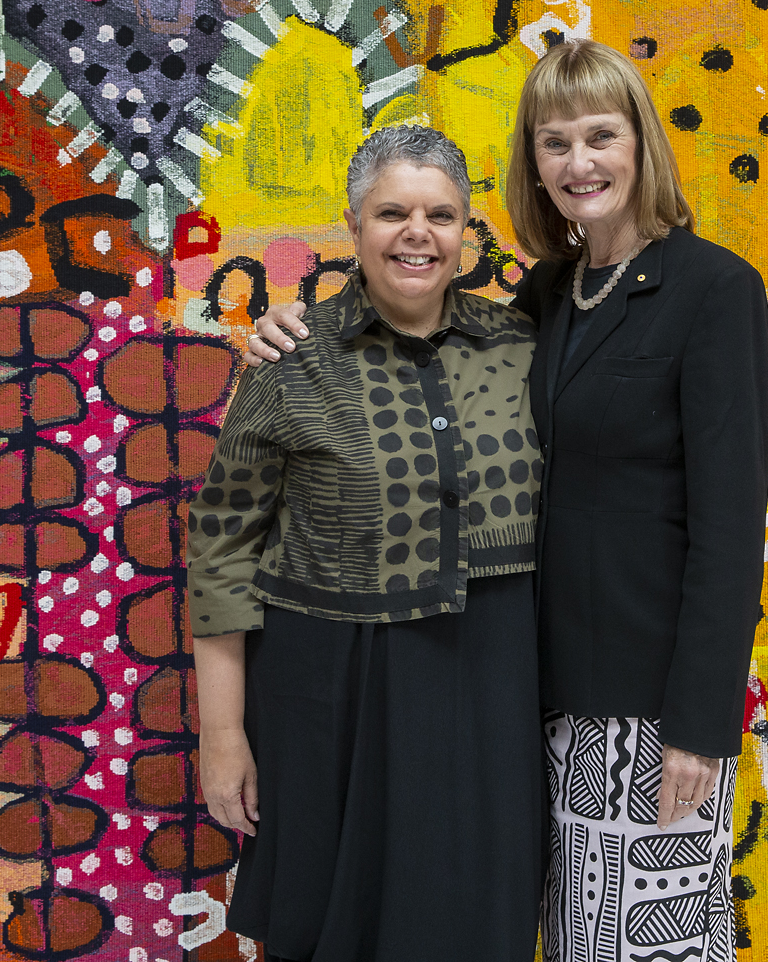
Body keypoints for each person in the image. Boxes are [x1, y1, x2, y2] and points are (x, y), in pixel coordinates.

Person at [246, 39, 768, 962]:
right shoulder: (549, 295)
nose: (579, 164)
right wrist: (295, 324)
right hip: (533, 690)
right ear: (534, 162)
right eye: (554, 142)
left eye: (600, 136)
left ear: (640, 143)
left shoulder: (714, 289)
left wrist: (700, 724)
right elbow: (423, 334)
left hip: (646, 707)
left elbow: (729, 530)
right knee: (567, 940)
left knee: (642, 945)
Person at [189, 124, 544, 962]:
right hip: (329, 693)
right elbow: (221, 549)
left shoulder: (525, 347)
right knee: (336, 934)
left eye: (440, 214)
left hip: (490, 683)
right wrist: (223, 733)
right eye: (392, 212)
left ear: (466, 231)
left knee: (478, 926)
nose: (417, 233)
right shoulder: (289, 359)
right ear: (354, 226)